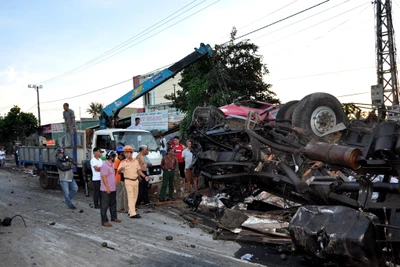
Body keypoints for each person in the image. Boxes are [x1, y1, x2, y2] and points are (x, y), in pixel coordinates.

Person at [118, 145, 148, 219]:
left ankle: (130, 211)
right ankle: (133, 213)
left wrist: (144, 176)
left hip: (135, 181)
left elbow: (139, 171)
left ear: (131, 153)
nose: (126, 154)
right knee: (130, 197)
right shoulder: (123, 162)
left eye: (128, 153)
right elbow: (119, 171)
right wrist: (121, 169)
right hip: (128, 181)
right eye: (125, 153)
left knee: (135, 196)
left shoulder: (136, 161)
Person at [100, 150, 121, 227]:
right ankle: (104, 221)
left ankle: (113, 217)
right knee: (104, 206)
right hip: (106, 190)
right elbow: (104, 177)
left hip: (112, 188)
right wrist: (107, 187)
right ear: (111, 157)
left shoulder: (111, 165)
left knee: (113, 204)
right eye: (114, 157)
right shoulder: (105, 166)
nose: (115, 158)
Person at [114, 146, 128, 213]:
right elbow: (115, 170)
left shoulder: (121, 160)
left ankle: (121, 207)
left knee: (122, 194)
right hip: (118, 179)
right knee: (119, 194)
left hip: (121, 179)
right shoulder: (117, 161)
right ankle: (118, 208)